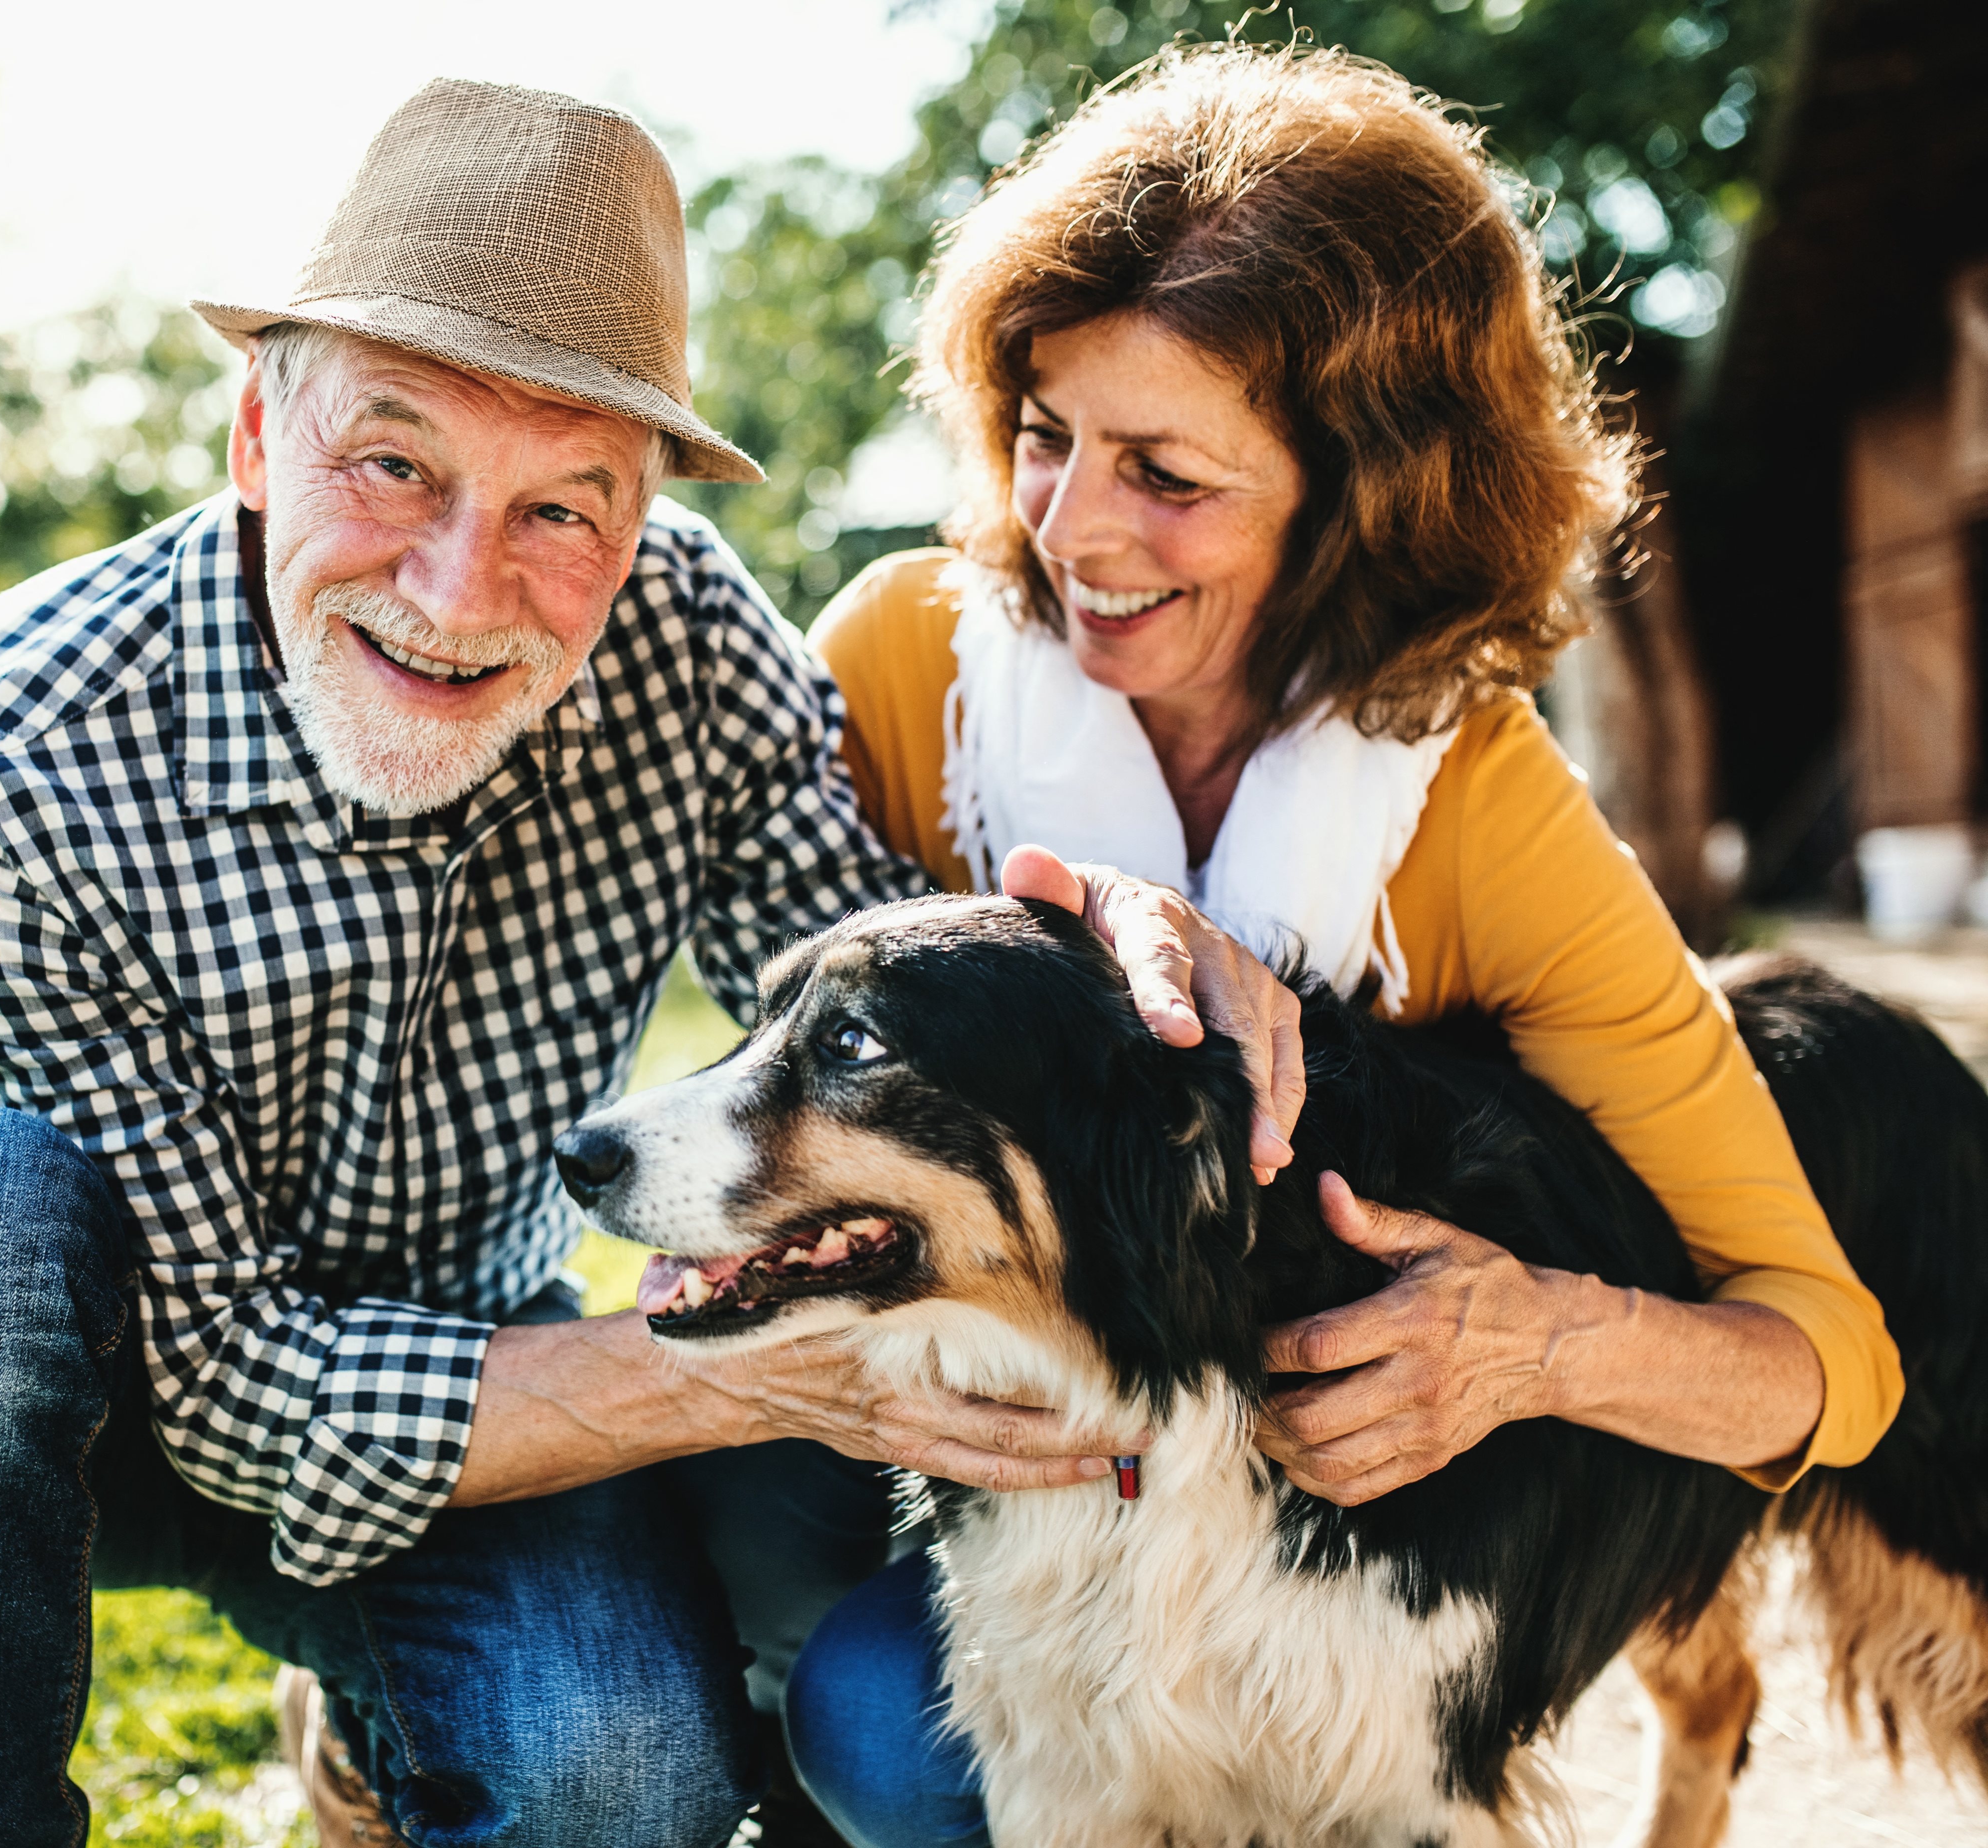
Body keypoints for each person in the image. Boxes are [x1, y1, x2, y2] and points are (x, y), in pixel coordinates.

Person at [0, 78, 1299, 1848]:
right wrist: (723, 1378)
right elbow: (229, 1384)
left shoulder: (691, 656)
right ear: (258, 442)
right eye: (392, 461)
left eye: (563, 508)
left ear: (642, 521)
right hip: (85, 1398)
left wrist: (1115, 953)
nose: (458, 584)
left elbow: (885, 1009)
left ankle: (367, 1709)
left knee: (622, 1787)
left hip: (482, 1381)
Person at [784, 43, 1907, 1848]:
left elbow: (1829, 1364)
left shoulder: (1485, 814)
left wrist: (1538, 1345)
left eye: (1170, 471)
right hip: (979, 1483)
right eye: (1048, 434)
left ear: (1365, 489)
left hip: (1314, 1558)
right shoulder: (908, 664)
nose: (1075, 528)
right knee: (883, 1724)